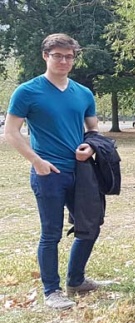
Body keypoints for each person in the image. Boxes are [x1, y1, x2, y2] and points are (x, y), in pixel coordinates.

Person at [5, 33, 108, 309]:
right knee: (51, 233)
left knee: (90, 226)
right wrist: (36, 161)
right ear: (45, 56)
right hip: (48, 173)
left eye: (69, 56)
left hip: (81, 171)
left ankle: (76, 280)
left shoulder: (83, 93)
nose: (63, 61)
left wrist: (90, 146)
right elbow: (11, 132)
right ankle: (51, 290)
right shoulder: (27, 91)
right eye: (57, 55)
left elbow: (93, 129)